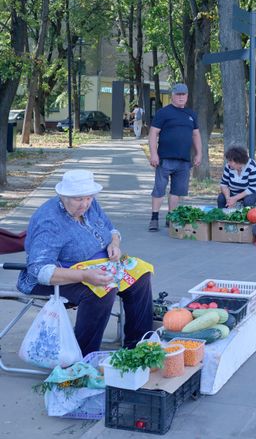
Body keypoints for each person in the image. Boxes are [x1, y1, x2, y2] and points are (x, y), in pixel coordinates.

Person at [17, 169, 153, 356]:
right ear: (64, 196)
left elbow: (111, 229)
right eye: (79, 199)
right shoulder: (49, 221)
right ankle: (83, 357)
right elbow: (39, 270)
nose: (85, 204)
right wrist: (84, 275)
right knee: (101, 291)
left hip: (97, 264)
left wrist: (114, 244)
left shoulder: (91, 204)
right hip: (56, 277)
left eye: (88, 198)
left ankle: (138, 344)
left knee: (141, 276)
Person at [148, 83, 202, 231]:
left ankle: (171, 218)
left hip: (184, 161)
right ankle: (154, 218)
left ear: (187, 96)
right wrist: (153, 153)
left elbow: (196, 135)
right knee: (159, 189)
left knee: (177, 191)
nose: (180, 97)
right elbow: (153, 133)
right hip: (165, 159)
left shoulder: (191, 115)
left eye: (183, 94)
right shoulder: (163, 113)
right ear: (172, 95)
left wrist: (199, 153)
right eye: (178, 94)